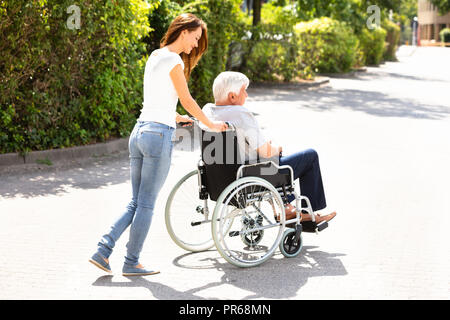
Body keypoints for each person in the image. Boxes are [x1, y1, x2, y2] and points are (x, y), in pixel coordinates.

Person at [89, 14, 228, 276]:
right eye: (195, 38)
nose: (195, 46)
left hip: (140, 132)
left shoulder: (155, 55)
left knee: (136, 202)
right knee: (146, 204)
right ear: (184, 31)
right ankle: (131, 262)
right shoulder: (174, 60)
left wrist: (177, 118)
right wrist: (210, 124)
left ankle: (103, 250)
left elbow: (156, 101)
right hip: (157, 137)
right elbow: (186, 99)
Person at [202, 71, 336, 223]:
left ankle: (286, 207)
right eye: (244, 91)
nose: (246, 95)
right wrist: (276, 148)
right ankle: (307, 213)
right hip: (249, 176)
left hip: (220, 177)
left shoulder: (208, 111)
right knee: (309, 156)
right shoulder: (241, 113)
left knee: (274, 159)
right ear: (232, 96)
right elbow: (265, 151)